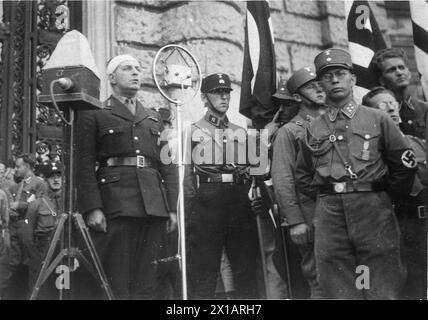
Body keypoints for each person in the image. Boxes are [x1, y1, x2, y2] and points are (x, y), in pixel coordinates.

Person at [296, 48, 417, 299]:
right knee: (337, 281)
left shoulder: (378, 118)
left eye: (340, 74)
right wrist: (324, 203)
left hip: (373, 208)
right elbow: (303, 175)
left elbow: (404, 165)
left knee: (382, 281)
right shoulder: (312, 128)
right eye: (327, 77)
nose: (335, 80)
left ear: (352, 79)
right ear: (320, 85)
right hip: (330, 213)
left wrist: (386, 199)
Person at [76, 54, 178, 300]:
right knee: (117, 281)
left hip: (153, 207)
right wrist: (92, 208)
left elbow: (168, 166)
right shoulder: (95, 113)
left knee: (149, 282)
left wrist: (172, 208)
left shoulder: (153, 118)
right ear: (112, 78)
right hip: (116, 206)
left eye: (137, 68)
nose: (135, 73)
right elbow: (84, 164)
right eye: (127, 68)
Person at [185, 73, 258, 299]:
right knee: (205, 269)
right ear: (205, 98)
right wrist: (190, 209)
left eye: (226, 93)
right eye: (217, 93)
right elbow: (186, 174)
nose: (224, 97)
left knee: (245, 266)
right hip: (208, 200)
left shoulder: (240, 131)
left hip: (238, 199)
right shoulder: (194, 130)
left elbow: (251, 170)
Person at [362, 87, 427, 300]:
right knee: (407, 285)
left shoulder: (416, 142)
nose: (391, 107)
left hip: (423, 225)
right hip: (400, 222)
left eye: (392, 103)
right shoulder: (373, 150)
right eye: (382, 105)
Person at [271, 67, 325, 299]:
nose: (319, 87)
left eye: (319, 83)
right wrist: (295, 221)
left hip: (340, 213)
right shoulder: (290, 132)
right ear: (297, 97)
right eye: (311, 86)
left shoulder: (333, 123)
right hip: (310, 215)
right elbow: (283, 179)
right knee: (319, 279)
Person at [7, 153, 48, 299]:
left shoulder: (39, 183)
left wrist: (21, 205)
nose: (15, 169)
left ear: (28, 167)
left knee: (31, 265)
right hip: (15, 227)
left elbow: (43, 205)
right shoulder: (17, 185)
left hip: (29, 229)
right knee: (13, 263)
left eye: (18, 166)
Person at [22, 162, 63, 299]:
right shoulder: (35, 204)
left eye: (59, 176)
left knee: (64, 289)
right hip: (41, 253)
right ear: (46, 180)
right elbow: (27, 237)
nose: (56, 179)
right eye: (52, 177)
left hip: (63, 251)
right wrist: (36, 258)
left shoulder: (70, 204)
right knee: (40, 292)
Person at [372, 48, 428, 139]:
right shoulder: (380, 112)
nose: (399, 72)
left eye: (401, 67)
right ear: (382, 80)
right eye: (391, 70)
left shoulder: (424, 109)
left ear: (409, 74)